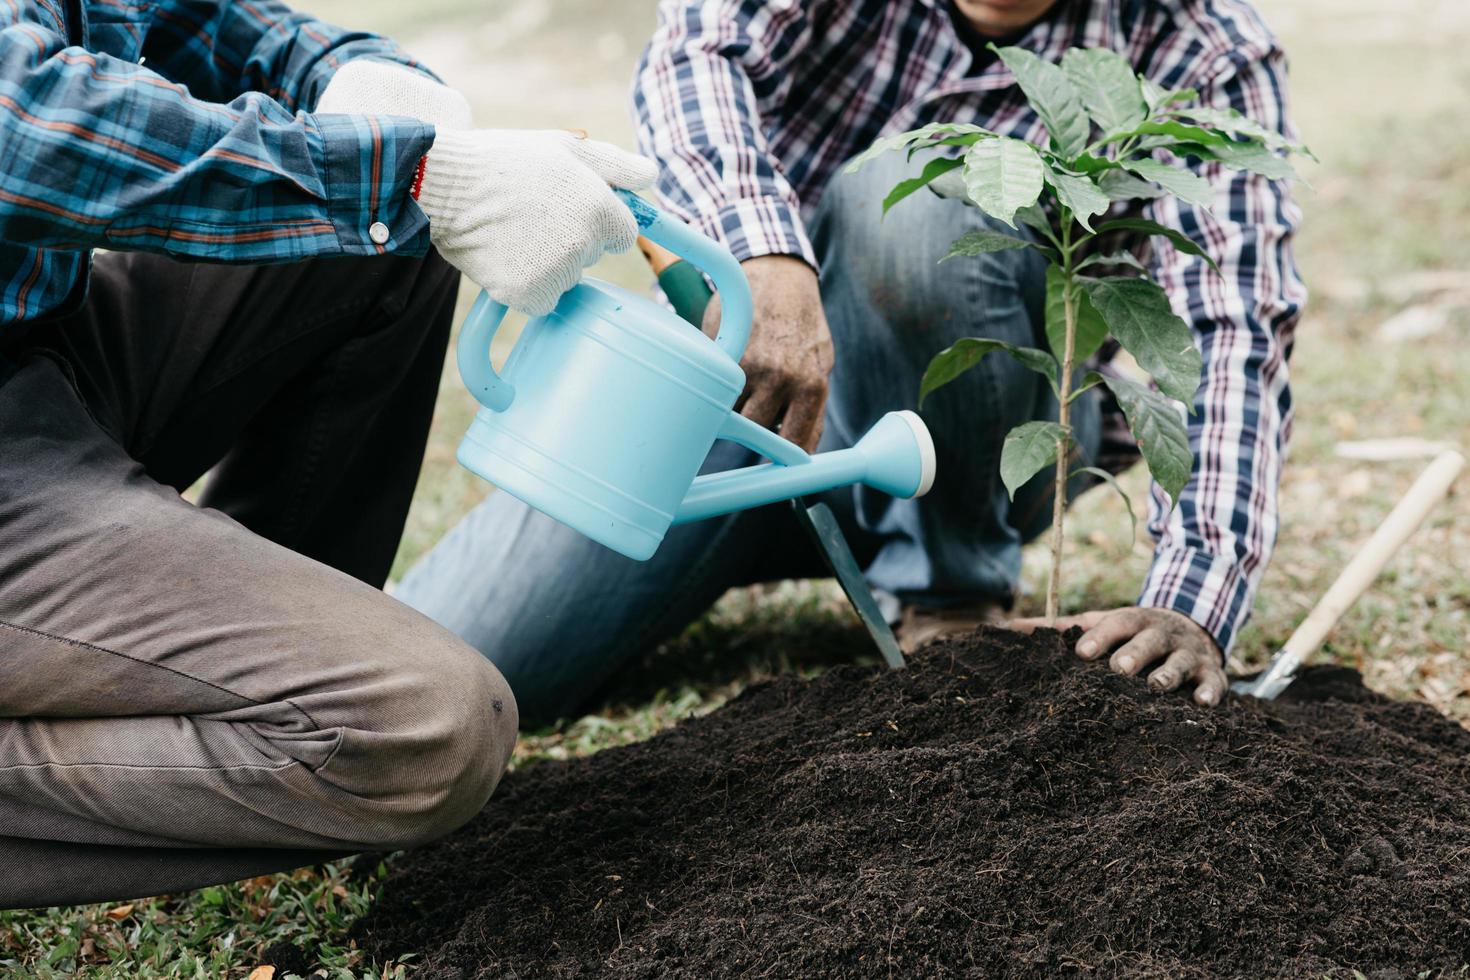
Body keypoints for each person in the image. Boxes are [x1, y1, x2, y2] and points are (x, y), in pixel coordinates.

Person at [396, 0, 1305, 722]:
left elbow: (1234, 328)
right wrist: (766, 257)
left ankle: (950, 594)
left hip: (978, 453)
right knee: (444, 667)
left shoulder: (1204, 42)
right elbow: (696, 54)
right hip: (751, 403)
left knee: (911, 194)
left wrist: (1194, 596)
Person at [0, 0, 655, 908]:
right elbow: (22, 127)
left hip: (43, 343)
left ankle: (234, 699)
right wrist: (415, 168)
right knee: (426, 730)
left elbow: (221, 28)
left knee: (387, 235)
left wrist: (390, 95)